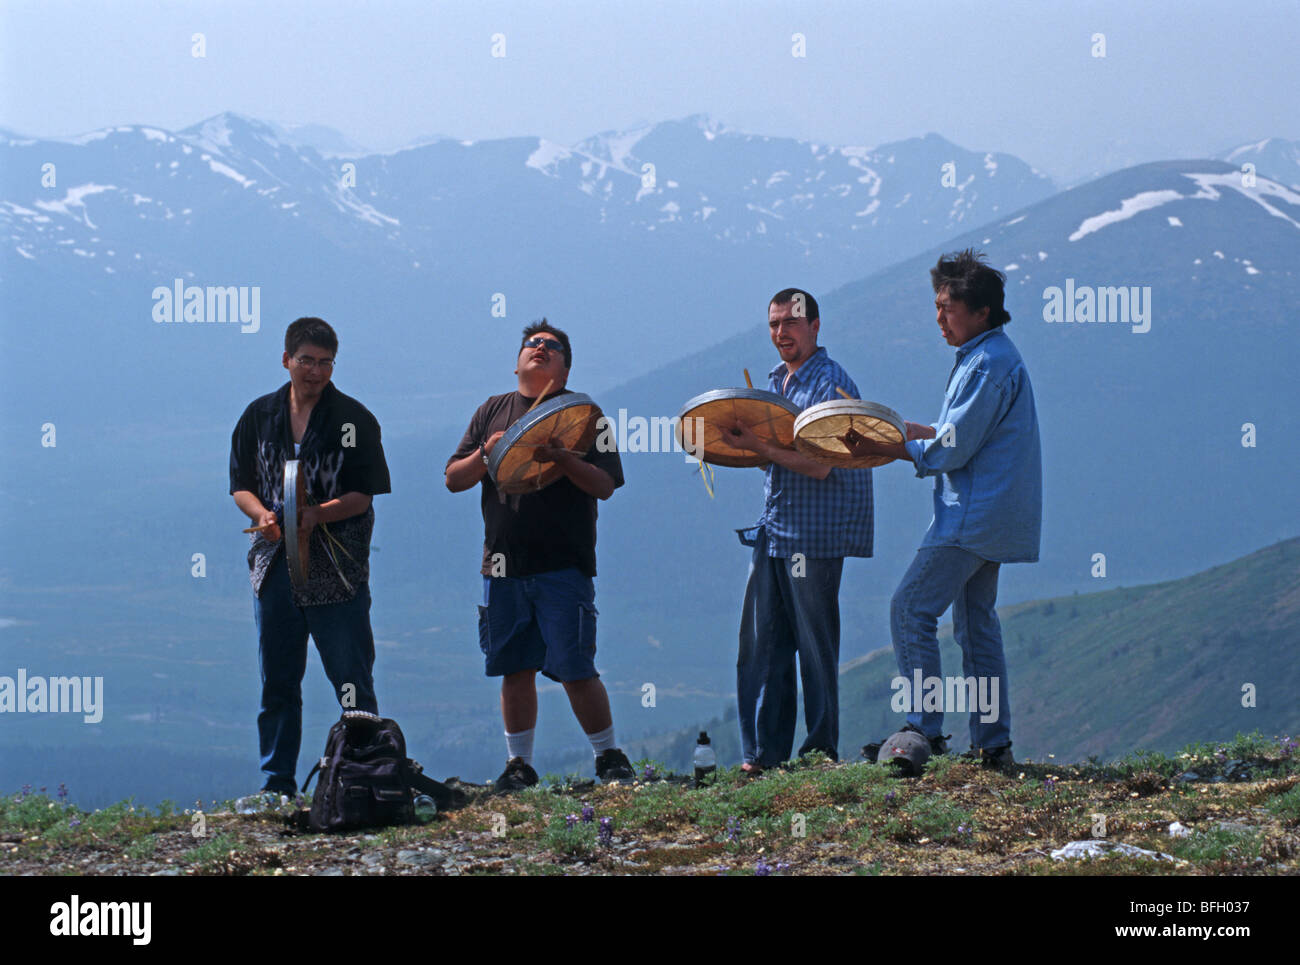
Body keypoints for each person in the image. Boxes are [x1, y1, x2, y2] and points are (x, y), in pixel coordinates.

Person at [843, 249, 1041, 771]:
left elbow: (951, 449)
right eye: (937, 307)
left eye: (948, 308)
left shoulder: (986, 364)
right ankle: (993, 744)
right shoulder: (991, 355)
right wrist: (906, 430)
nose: (939, 319)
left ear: (980, 312)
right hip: (997, 515)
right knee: (976, 625)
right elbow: (959, 431)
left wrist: (883, 447)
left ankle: (922, 730)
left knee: (911, 608)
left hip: (970, 517)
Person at [445, 320, 636, 791]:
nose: (541, 350)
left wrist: (565, 457)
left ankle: (609, 755)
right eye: (532, 344)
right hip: (503, 562)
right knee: (514, 666)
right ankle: (519, 764)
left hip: (564, 561)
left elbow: (606, 485)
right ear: (517, 362)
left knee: (574, 664)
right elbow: (453, 477)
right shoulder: (491, 411)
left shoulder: (587, 416)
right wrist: (486, 455)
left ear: (565, 368)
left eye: (552, 348)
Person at [229, 316, 391, 797]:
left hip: (337, 569)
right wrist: (263, 516)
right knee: (278, 680)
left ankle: (367, 779)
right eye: (306, 361)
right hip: (275, 564)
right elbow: (240, 485)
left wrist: (316, 515)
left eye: (324, 363)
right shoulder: (258, 416)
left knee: (352, 681)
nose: (315, 371)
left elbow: (365, 493)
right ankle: (277, 784)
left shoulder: (353, 419)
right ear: (286, 360)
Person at [726, 289, 873, 773]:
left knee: (815, 645)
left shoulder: (829, 384)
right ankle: (766, 754)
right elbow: (776, 462)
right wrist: (739, 446)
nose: (781, 333)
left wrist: (760, 447)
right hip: (777, 528)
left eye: (791, 323)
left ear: (815, 327)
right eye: (773, 325)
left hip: (815, 534)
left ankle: (820, 752)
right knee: (766, 644)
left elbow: (820, 466)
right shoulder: (775, 382)